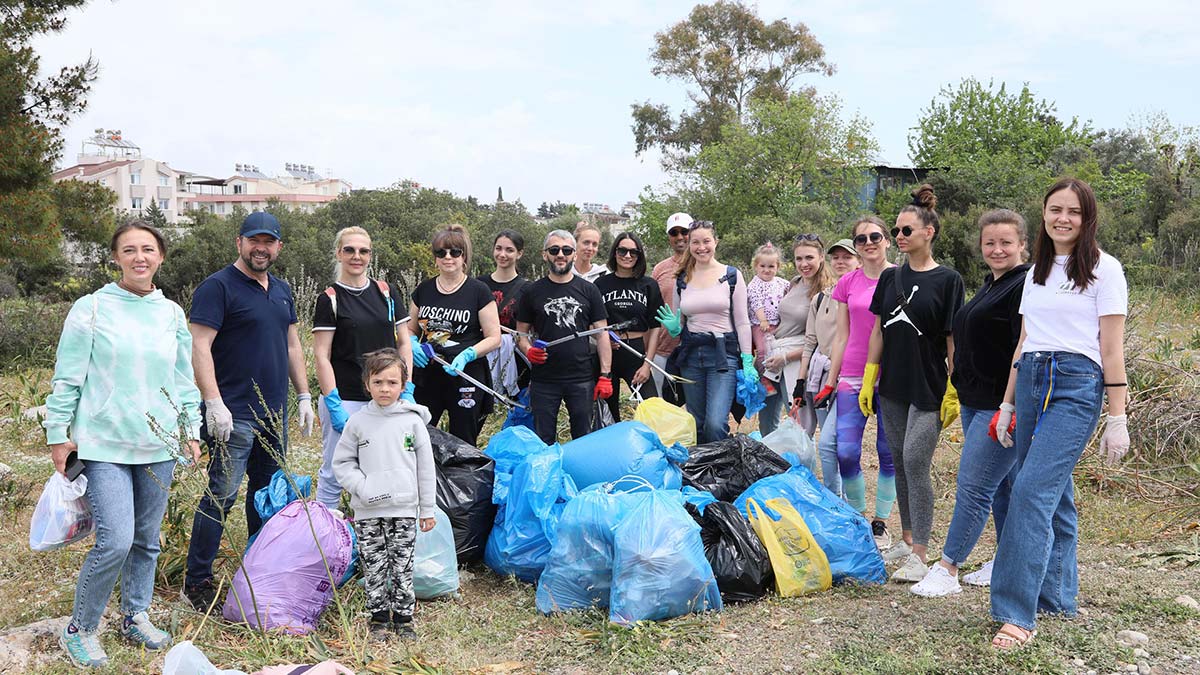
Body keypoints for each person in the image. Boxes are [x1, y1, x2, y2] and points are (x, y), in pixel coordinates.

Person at [45, 222, 202, 667]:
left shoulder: (170, 312)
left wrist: (190, 428)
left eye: (148, 249)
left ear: (161, 257)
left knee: (147, 540)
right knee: (115, 539)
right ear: (115, 257)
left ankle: (135, 615)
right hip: (103, 443)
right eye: (129, 250)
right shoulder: (91, 307)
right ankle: (80, 628)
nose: (140, 257)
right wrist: (59, 435)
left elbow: (181, 378)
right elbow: (67, 376)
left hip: (159, 443)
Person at [988, 178, 1129, 650]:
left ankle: (1016, 613)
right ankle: (1057, 598)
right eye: (1055, 209)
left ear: (1087, 219)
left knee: (1029, 491)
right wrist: (1007, 404)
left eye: (1073, 211)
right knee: (1056, 495)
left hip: (1077, 386)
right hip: (1030, 380)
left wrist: (1117, 417)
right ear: (1044, 214)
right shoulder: (1036, 272)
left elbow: (1111, 350)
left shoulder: (1106, 270)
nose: (1063, 218)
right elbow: (1025, 341)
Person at [184, 211, 314, 612]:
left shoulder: (282, 289)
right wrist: (212, 401)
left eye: (269, 241)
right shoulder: (217, 287)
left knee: (264, 496)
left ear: (278, 247)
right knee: (221, 495)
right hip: (233, 413)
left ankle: (257, 569)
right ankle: (198, 581)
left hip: (274, 415)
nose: (261, 248)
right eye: (254, 240)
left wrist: (305, 395)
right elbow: (199, 345)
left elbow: (293, 345)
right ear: (239, 243)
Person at [911, 209, 1030, 597]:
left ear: (1023, 246)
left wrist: (1009, 405)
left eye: (1006, 243)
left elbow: (1022, 346)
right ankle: (1006, 561)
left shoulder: (1024, 285)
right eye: (990, 242)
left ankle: (948, 567)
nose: (997, 249)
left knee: (974, 486)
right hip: (972, 399)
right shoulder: (991, 284)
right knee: (1001, 487)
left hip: (1001, 404)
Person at [863, 185, 965, 583]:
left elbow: (954, 338)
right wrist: (871, 377)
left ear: (929, 232)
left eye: (907, 230)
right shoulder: (890, 278)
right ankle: (906, 541)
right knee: (899, 465)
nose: (900, 236)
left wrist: (955, 386)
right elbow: (878, 331)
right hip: (892, 386)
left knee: (915, 461)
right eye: (897, 230)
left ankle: (921, 551)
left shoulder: (948, 280)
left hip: (929, 386)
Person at [332, 348, 435, 641]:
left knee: (402, 565)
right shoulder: (357, 423)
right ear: (367, 384)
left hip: (403, 509)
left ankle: (404, 618)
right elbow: (342, 463)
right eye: (378, 382)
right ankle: (378, 618)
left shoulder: (413, 422)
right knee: (374, 565)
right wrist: (362, 488)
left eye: (392, 382)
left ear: (404, 385)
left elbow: (426, 469)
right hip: (367, 511)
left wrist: (427, 508)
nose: (385, 389)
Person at [312, 226, 412, 511]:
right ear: (339, 254)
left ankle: (370, 533)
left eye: (363, 251)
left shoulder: (386, 292)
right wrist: (332, 402)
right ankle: (326, 538)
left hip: (385, 397)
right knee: (335, 470)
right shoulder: (329, 298)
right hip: (345, 397)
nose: (357, 256)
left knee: (381, 469)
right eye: (350, 250)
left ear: (370, 255)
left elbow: (404, 341)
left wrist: (407, 386)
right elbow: (321, 355)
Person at [819, 216, 897, 549]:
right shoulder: (847, 283)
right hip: (852, 373)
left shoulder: (901, 278)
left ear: (887, 240)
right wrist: (832, 380)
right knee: (846, 450)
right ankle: (857, 517)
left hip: (892, 375)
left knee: (886, 450)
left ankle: (880, 523)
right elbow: (842, 335)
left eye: (875, 236)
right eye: (861, 239)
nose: (869, 243)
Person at [657, 220, 755, 444]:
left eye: (706, 241)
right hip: (691, 357)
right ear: (689, 244)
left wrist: (747, 360)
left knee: (715, 422)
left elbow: (742, 321)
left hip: (723, 356)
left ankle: (722, 468)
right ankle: (705, 472)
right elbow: (679, 323)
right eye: (696, 242)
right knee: (697, 421)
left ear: (716, 242)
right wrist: (674, 328)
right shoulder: (682, 279)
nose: (701, 247)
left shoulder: (731, 275)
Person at [516, 230, 614, 443]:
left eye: (566, 250)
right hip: (544, 380)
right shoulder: (532, 292)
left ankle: (579, 476)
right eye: (554, 250)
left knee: (583, 439)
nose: (560, 254)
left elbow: (602, 335)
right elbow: (521, 334)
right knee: (543, 439)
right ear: (545, 255)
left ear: (574, 255)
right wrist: (528, 350)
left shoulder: (589, 290)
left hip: (581, 378)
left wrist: (605, 375)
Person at [408, 224, 501, 446]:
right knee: (415, 436)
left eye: (454, 252)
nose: (448, 257)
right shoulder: (424, 289)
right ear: (435, 257)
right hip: (428, 372)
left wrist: (469, 354)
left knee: (464, 440)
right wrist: (412, 343)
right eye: (441, 252)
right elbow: (410, 328)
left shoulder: (478, 291)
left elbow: (494, 336)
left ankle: (464, 481)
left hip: (464, 374)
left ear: (464, 256)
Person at [794, 238, 860, 495]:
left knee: (833, 444)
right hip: (819, 377)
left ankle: (838, 497)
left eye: (847, 257)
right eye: (836, 257)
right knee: (830, 442)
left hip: (849, 377)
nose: (841, 262)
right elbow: (810, 342)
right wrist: (800, 382)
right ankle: (837, 497)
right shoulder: (821, 299)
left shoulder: (865, 297)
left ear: (858, 261)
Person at [757, 235, 835, 438]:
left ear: (821, 257)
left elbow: (823, 340)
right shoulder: (794, 282)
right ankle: (770, 463)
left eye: (809, 257)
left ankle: (801, 466)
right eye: (798, 259)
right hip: (775, 354)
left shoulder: (827, 291)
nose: (803, 264)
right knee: (766, 419)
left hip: (796, 360)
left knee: (799, 422)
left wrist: (787, 357)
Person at [595, 232, 664, 421]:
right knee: (608, 414)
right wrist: (603, 339)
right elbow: (592, 322)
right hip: (607, 352)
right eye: (622, 251)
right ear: (614, 253)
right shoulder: (601, 284)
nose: (627, 256)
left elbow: (655, 327)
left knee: (651, 409)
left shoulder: (648, 285)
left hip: (635, 351)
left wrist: (647, 365)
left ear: (639, 255)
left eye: (633, 252)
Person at [479, 229, 529, 399]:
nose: (502, 254)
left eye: (509, 250)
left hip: (516, 362)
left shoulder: (528, 289)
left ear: (519, 253)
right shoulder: (479, 285)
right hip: (482, 357)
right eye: (498, 248)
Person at [650, 213, 693, 404]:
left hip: (693, 348)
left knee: (692, 405)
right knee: (660, 403)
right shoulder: (660, 269)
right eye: (674, 233)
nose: (680, 237)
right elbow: (651, 309)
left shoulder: (702, 266)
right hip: (662, 348)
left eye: (684, 231)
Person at [747, 243, 791, 397]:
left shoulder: (780, 283)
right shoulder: (755, 285)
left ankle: (776, 375)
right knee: (762, 350)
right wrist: (763, 320)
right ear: (756, 266)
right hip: (760, 324)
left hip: (777, 324)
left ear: (777, 266)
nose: (767, 270)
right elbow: (756, 302)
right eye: (763, 266)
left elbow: (791, 290)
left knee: (776, 350)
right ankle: (763, 377)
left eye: (771, 266)